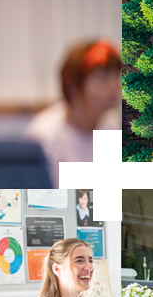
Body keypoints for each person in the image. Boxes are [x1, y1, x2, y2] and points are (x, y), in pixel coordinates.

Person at [22, 39, 123, 187]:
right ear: (73, 87)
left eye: (116, 77)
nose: (114, 89)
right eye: (102, 79)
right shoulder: (43, 136)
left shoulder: (111, 123)